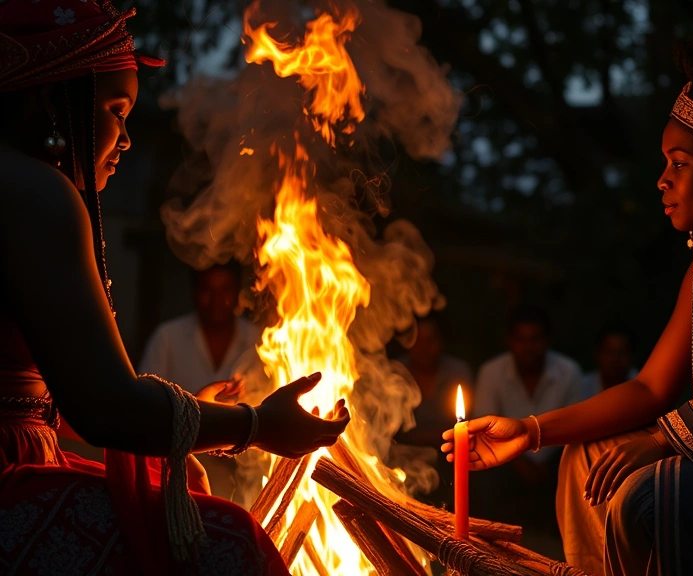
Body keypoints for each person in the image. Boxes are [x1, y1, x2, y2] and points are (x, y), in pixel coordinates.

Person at [442, 43, 693, 575]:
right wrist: (530, 432)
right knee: (585, 459)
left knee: (652, 496)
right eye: (664, 163)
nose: (662, 180)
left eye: (680, 163)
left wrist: (662, 439)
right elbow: (650, 387)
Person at [0, 2, 349, 574]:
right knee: (230, 540)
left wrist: (186, 419)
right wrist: (256, 426)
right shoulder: (35, 193)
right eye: (116, 111)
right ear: (50, 101)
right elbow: (105, 408)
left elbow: (54, 401)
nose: (126, 140)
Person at [139, 261, 265, 505]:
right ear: (195, 292)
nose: (217, 300)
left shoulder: (260, 342)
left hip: (246, 480)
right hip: (178, 481)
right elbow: (144, 406)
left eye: (225, 289)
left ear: (238, 293)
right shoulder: (168, 338)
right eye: (208, 290)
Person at [470, 304, 582, 528]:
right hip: (506, 461)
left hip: (557, 459)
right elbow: (481, 429)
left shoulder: (568, 371)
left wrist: (547, 460)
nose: (528, 348)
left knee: (577, 464)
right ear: (509, 341)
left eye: (535, 340)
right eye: (521, 340)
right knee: (481, 470)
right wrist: (520, 461)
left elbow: (577, 424)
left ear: (548, 341)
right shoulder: (492, 372)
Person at [396, 314, 472, 447]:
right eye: (418, 341)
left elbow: (469, 424)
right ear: (407, 343)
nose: (424, 348)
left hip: (452, 451)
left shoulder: (457, 372)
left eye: (431, 340)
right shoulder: (394, 375)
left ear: (442, 342)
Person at [581, 325, 637, 399]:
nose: (615, 359)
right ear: (597, 354)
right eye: (609, 352)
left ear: (632, 356)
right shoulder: (582, 387)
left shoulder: (642, 387)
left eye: (622, 353)